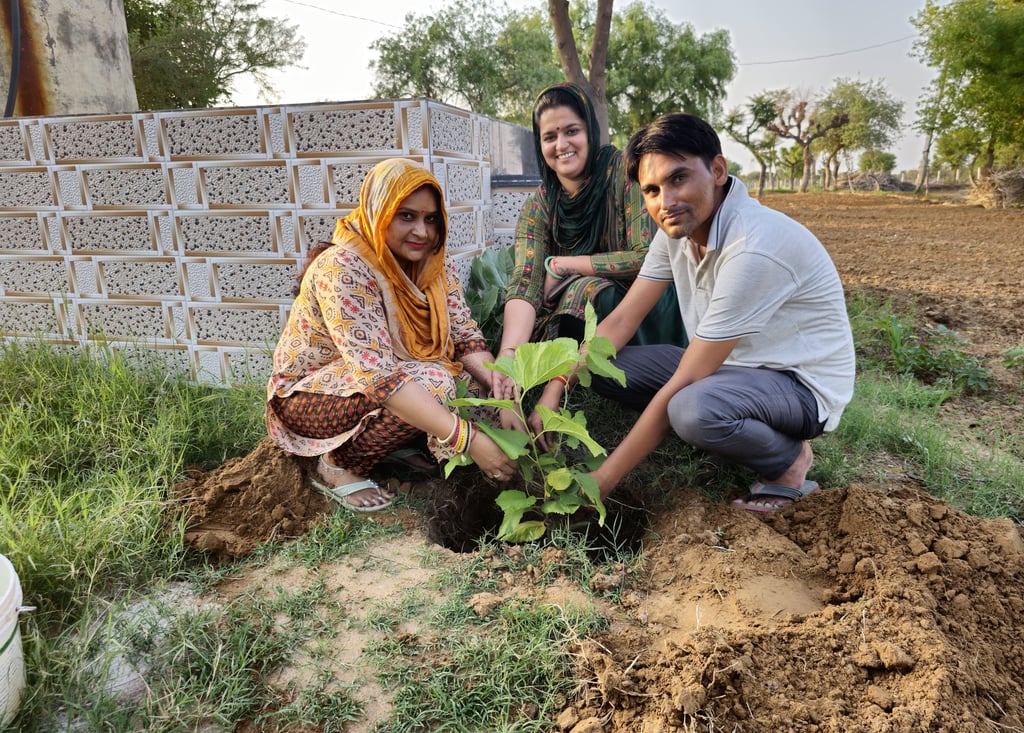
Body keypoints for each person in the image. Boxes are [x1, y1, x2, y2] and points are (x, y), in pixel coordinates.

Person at [538, 112, 856, 512]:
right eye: (652, 190)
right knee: (605, 366)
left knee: (689, 409)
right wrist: (555, 389)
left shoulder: (751, 247)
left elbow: (687, 378)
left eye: (678, 178)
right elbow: (622, 320)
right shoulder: (676, 231)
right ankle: (728, 425)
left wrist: (604, 480)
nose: (666, 202)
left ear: (718, 170)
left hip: (798, 384)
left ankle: (788, 462)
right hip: (732, 369)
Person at [266, 158, 517, 512]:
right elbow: (378, 376)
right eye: (406, 216)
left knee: (478, 393)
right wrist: (469, 439)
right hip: (310, 398)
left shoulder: (434, 263)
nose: (422, 232)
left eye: (431, 219)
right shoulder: (342, 268)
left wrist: (503, 393)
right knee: (434, 384)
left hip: (393, 375)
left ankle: (398, 449)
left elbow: (464, 336)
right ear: (379, 211)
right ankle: (338, 465)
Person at [492, 83, 686, 411]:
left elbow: (645, 258)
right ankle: (575, 369)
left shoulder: (626, 174)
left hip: (650, 303)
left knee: (580, 289)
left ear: (590, 131)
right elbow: (525, 280)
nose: (561, 145)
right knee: (552, 305)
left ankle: (646, 366)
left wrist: (566, 265)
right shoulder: (540, 205)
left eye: (572, 131)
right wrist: (508, 356)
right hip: (592, 315)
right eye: (549, 137)